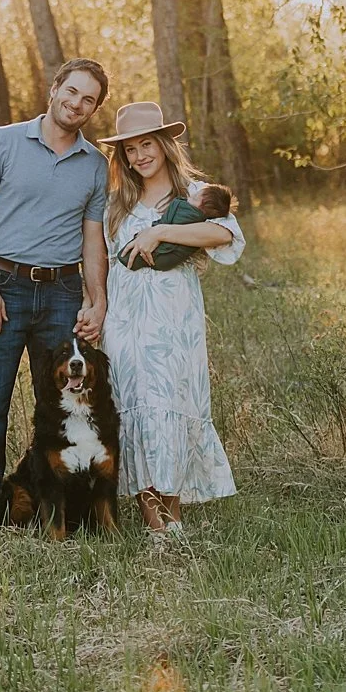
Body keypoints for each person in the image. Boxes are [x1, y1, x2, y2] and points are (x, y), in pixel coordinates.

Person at [0, 58, 111, 532]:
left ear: (94, 109)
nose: (76, 104)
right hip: (3, 289)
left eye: (88, 100)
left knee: (64, 408)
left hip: (62, 292)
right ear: (54, 87)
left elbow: (92, 239)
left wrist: (94, 300)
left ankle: (61, 512)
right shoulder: (3, 141)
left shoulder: (95, 165)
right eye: (72, 91)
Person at [98, 101, 245, 538]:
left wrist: (160, 230)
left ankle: (173, 514)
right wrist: (96, 310)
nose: (140, 155)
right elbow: (104, 262)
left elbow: (224, 236)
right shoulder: (115, 204)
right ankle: (156, 524)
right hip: (125, 321)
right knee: (137, 411)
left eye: (147, 145)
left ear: (164, 145)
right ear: (122, 157)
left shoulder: (194, 195)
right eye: (130, 150)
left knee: (171, 409)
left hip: (175, 321)